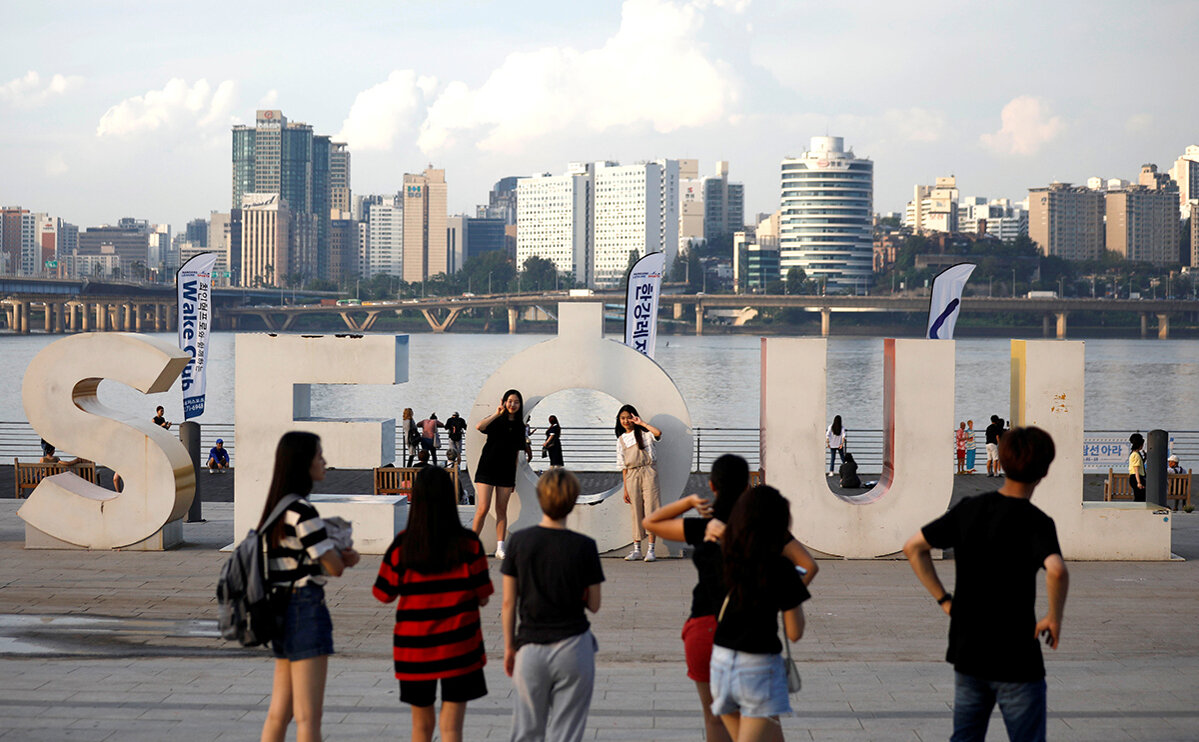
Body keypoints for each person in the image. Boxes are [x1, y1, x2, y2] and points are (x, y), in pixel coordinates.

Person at [903, 426, 1068, 742]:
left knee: (965, 737)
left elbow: (913, 547)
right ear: (1045, 470)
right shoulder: (1038, 522)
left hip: (970, 650)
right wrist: (1053, 616)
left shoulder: (969, 509)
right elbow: (1056, 570)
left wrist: (944, 600)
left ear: (1002, 463)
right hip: (1018, 657)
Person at [643, 455, 818, 742]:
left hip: (712, 642)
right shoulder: (775, 556)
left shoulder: (712, 534)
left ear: (713, 485)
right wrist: (785, 595)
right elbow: (795, 628)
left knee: (717, 724)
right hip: (757, 655)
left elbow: (650, 521)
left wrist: (689, 502)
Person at [373, 467, 494, 742]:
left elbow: (383, 594)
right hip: (460, 647)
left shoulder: (403, 546)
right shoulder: (469, 545)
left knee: (421, 728)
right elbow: (484, 596)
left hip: (414, 650)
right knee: (452, 730)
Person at [259, 431, 361, 742]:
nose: (325, 462)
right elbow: (333, 566)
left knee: (280, 712)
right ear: (303, 463)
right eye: (319, 456)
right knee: (308, 718)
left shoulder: (276, 509)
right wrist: (346, 558)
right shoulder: (303, 511)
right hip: (304, 608)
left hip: (279, 608)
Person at [501, 468, 604, 742]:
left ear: (539, 498)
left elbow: (509, 602)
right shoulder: (585, 546)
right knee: (567, 732)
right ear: (572, 501)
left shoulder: (519, 542)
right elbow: (594, 604)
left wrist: (510, 647)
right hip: (573, 646)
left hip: (531, 646)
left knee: (526, 731)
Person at [710, 485, 810, 741]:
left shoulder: (727, 558)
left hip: (720, 662)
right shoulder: (781, 568)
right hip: (758, 666)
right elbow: (794, 633)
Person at [472, 389, 533, 559]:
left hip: (506, 472)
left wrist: (513, 479)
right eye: (509, 401)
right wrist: (496, 413)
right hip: (487, 468)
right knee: (483, 508)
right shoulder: (496, 420)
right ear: (504, 402)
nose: (512, 404)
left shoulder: (520, 427)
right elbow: (479, 426)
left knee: (501, 509)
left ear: (520, 405)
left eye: (516, 402)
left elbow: (516, 455)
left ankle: (500, 547)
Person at [615, 404, 663, 562]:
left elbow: (658, 433)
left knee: (652, 509)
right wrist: (625, 490)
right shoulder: (621, 440)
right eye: (623, 418)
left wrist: (641, 423)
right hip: (631, 475)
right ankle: (636, 549)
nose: (626, 421)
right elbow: (623, 466)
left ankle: (651, 549)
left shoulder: (645, 434)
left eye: (629, 417)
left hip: (648, 471)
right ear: (619, 420)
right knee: (636, 511)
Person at [1128, 433, 1146, 502]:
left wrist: (1144, 458)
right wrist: (1139, 482)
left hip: (1134, 477)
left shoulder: (1134, 453)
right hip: (1137, 477)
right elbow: (1136, 469)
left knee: (1139, 496)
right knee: (1140, 497)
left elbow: (1139, 465)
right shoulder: (1136, 455)